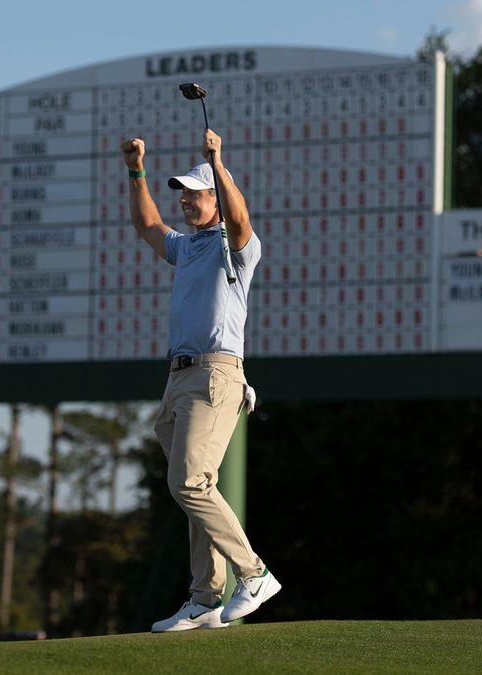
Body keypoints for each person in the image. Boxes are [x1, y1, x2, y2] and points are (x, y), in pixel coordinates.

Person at [121, 130, 280, 633]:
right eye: (183, 194)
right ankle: (206, 598)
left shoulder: (238, 248)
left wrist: (218, 160)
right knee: (194, 490)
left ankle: (254, 573)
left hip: (215, 375)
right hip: (179, 380)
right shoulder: (187, 247)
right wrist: (136, 169)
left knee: (188, 482)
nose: (186, 200)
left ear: (217, 197)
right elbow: (148, 224)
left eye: (195, 192)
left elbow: (241, 220)